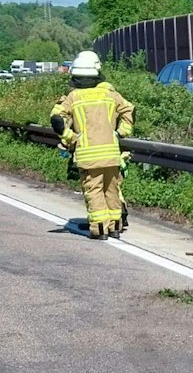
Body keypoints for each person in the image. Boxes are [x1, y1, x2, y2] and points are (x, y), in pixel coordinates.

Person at [50, 50, 134, 238]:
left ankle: (100, 228)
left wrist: (70, 138)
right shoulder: (110, 94)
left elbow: (56, 119)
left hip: (88, 154)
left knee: (94, 190)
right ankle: (115, 226)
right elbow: (129, 110)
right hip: (112, 153)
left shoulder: (73, 97)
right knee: (111, 189)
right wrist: (121, 133)